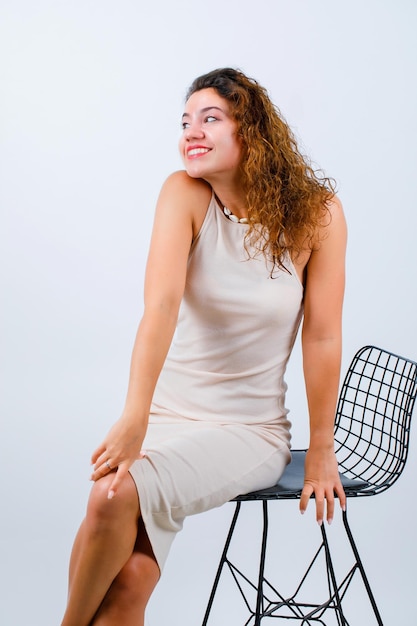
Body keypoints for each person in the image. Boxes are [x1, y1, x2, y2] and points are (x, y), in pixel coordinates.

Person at [60, 67, 347, 626]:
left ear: (252, 132)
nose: (191, 131)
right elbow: (160, 308)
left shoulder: (319, 215)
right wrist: (135, 417)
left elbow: (322, 335)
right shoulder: (184, 193)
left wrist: (320, 448)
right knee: (134, 578)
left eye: (210, 119)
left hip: (249, 429)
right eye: (185, 121)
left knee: (109, 498)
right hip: (167, 414)